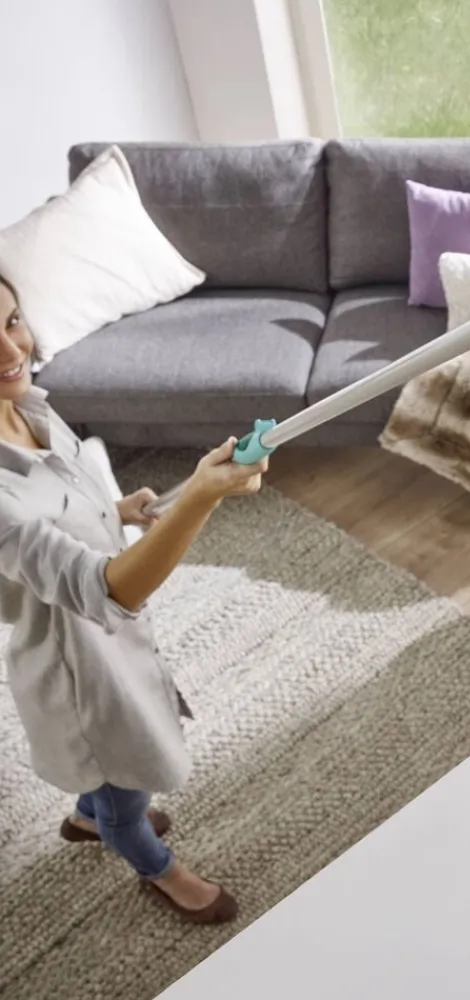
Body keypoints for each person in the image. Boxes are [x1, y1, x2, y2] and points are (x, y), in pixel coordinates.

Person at [0, 275, 268, 924]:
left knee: (118, 776)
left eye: (10, 321)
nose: (11, 350)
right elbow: (105, 591)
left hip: (110, 646)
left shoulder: (29, 406)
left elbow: (60, 504)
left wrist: (115, 510)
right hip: (80, 669)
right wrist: (202, 497)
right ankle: (157, 867)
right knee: (128, 784)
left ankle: (89, 816)